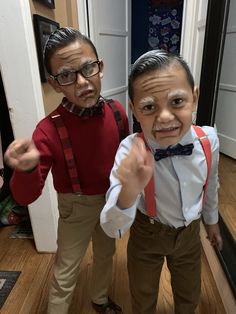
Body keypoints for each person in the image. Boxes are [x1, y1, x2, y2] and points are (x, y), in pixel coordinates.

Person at [4, 27, 129, 314]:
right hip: (76, 206)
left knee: (106, 254)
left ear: (101, 67)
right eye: (67, 75)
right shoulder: (47, 131)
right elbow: (26, 197)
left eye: (88, 68)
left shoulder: (117, 111)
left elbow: (127, 155)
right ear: (55, 84)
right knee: (66, 267)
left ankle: (99, 299)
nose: (82, 82)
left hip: (111, 200)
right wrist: (26, 168)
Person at [100, 49, 223, 314]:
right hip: (147, 235)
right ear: (134, 110)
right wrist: (128, 193)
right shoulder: (130, 150)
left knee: (189, 294)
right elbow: (112, 229)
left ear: (195, 97)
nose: (164, 117)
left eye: (177, 101)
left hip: (190, 235)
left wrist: (211, 221)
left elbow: (210, 184)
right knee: (143, 295)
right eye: (148, 107)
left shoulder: (208, 140)